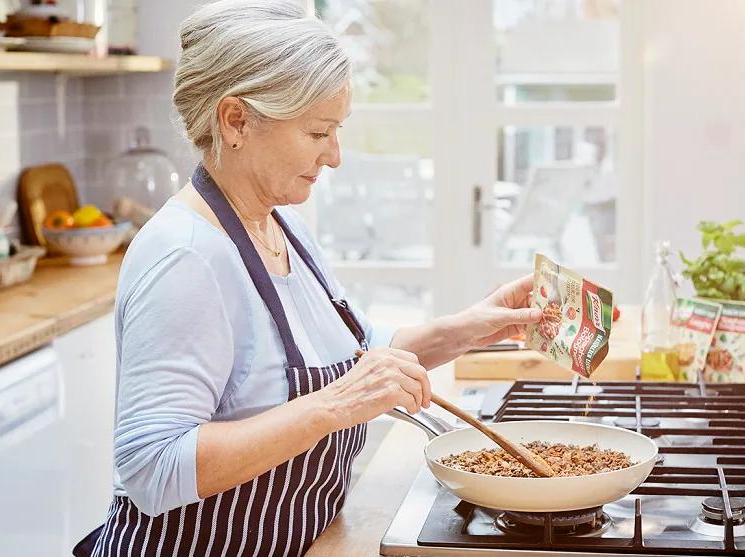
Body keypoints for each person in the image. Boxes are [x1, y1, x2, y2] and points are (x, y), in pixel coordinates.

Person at [75, 1, 540, 555]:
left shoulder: (281, 224)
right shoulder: (187, 257)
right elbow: (152, 468)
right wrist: (337, 405)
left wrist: (470, 328)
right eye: (318, 131)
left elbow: (359, 349)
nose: (335, 156)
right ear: (236, 120)